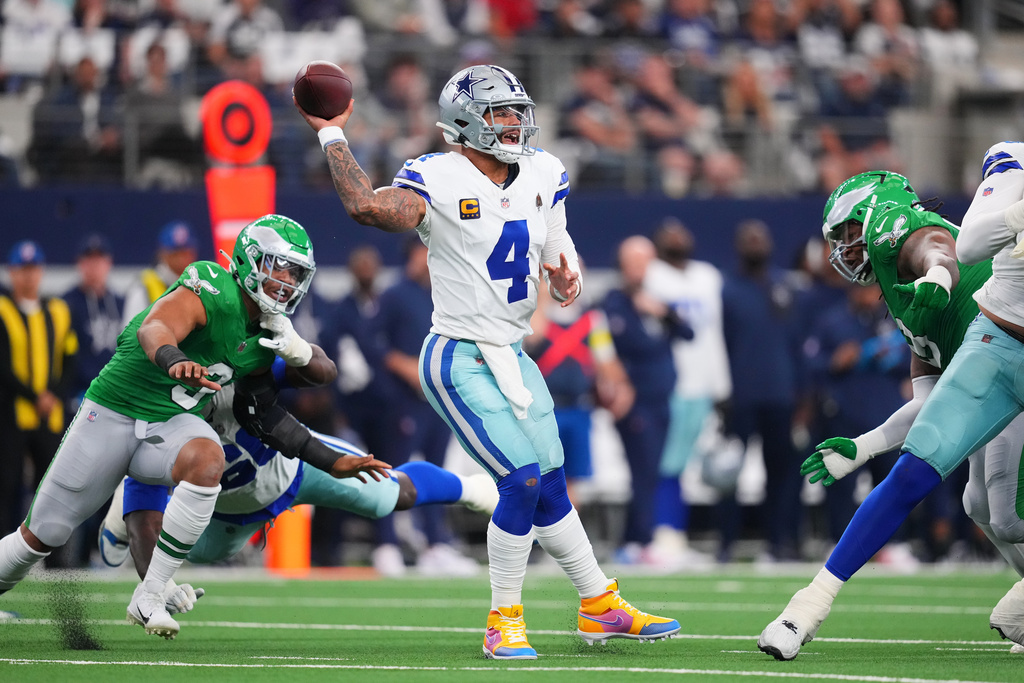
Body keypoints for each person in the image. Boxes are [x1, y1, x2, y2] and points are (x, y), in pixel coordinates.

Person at [295, 63, 680, 659]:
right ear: (463, 119)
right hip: (456, 355)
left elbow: (558, 248)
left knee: (551, 482)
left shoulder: (545, 171)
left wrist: (566, 275)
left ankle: (599, 605)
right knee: (521, 478)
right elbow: (368, 208)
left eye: (514, 111)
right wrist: (332, 133)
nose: (512, 122)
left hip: (514, 352)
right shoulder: (436, 175)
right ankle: (503, 617)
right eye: (499, 112)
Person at [0, 215, 374, 642]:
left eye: (296, 273)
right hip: (113, 412)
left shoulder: (267, 335)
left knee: (207, 458)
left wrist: (327, 451)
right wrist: (173, 359)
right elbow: (154, 327)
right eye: (280, 267)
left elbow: (294, 394)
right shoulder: (212, 285)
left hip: (168, 422)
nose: (287, 281)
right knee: (40, 536)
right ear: (251, 262)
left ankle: (150, 593)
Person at [758, 163, 1024, 661]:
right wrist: (864, 445)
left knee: (1007, 515)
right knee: (978, 504)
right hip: (996, 351)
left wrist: (940, 279)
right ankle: (807, 605)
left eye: (848, 232)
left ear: (873, 214)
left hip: (1007, 346)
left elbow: (936, 249)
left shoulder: (892, 232)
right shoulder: (900, 301)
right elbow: (928, 400)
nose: (843, 247)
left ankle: (808, 606)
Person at [97, 379, 498, 582]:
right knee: (195, 552)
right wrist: (156, 588)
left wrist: (293, 348)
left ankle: (476, 490)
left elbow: (317, 369)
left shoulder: (241, 367)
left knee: (388, 495)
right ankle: (121, 512)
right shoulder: (156, 415)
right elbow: (149, 540)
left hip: (293, 469)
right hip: (226, 509)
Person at [602, 235, 693, 566]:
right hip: (635, 401)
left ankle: (636, 539)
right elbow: (605, 347)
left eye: (645, 261)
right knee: (642, 470)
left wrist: (663, 312)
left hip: (662, 399)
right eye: (634, 262)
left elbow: (688, 333)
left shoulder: (658, 301)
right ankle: (640, 540)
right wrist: (618, 385)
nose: (640, 269)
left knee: (652, 470)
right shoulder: (613, 303)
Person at [644, 218, 730, 565]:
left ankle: (672, 535)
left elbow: (716, 333)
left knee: (687, 465)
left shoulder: (707, 276)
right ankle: (662, 535)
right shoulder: (652, 276)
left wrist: (722, 386)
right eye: (669, 233)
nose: (678, 236)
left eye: (683, 231)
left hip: (703, 384)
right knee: (665, 463)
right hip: (669, 383)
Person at [0, 241, 78, 546]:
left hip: (51, 414)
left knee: (54, 489)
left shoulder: (57, 311)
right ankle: (5, 554)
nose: (28, 276)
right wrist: (35, 397)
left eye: (33, 269)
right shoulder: (3, 310)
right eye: (22, 269)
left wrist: (54, 395)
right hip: (12, 413)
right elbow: (2, 365)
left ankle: (55, 558)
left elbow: (70, 358)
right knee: (8, 485)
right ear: (12, 272)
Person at [122, 220, 200, 324]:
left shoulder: (200, 284)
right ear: (163, 253)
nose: (183, 258)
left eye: (186, 251)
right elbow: (129, 333)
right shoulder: (145, 286)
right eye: (176, 253)